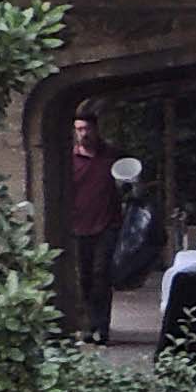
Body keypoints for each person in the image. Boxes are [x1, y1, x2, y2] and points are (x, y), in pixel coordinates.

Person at [63, 102, 120, 344]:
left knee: (101, 275)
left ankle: (102, 328)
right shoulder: (69, 160)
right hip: (79, 225)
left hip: (107, 224)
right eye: (79, 129)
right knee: (85, 278)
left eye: (87, 129)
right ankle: (89, 325)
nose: (83, 134)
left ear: (96, 130)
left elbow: (130, 181)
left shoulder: (112, 156)